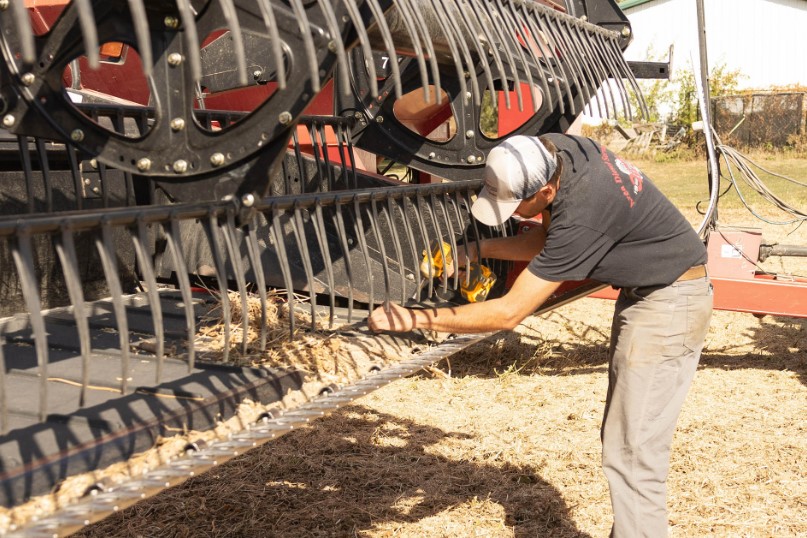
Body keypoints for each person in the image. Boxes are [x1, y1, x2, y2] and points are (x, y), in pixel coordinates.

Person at [368, 134, 713, 537]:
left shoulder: (585, 210)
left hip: (670, 304)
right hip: (652, 292)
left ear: (547, 189)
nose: (511, 210)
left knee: (634, 452)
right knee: (625, 442)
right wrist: (477, 251)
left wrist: (414, 319)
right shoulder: (556, 150)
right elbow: (543, 240)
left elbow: (509, 313)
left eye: (516, 204)